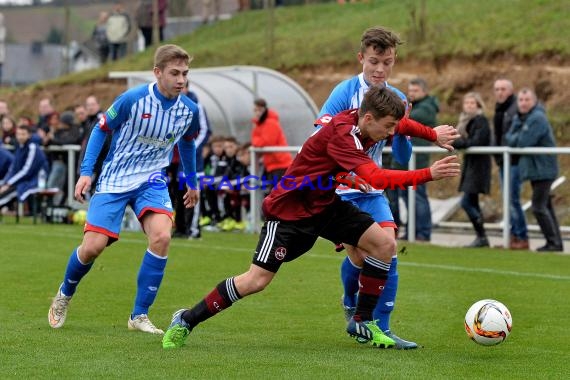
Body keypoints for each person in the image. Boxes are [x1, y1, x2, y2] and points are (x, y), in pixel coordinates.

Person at [161, 86, 461, 350]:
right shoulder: (344, 135)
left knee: (384, 245)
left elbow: (402, 123)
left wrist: (432, 134)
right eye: (388, 127)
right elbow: (377, 178)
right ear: (368, 119)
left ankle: (362, 320)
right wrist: (428, 174)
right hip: (289, 212)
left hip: (325, 204)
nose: (392, 132)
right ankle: (186, 319)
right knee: (256, 280)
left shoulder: (365, 118)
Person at [319, 26, 459, 349]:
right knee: (357, 256)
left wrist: (403, 134)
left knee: (387, 247)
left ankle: (382, 327)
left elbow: (401, 155)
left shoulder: (396, 99)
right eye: (374, 62)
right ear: (361, 59)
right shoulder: (343, 93)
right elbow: (322, 135)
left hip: (372, 189)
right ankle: (350, 300)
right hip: (340, 191)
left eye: (387, 62)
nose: (380, 69)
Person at [47, 44, 201, 335]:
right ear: (157, 73)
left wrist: (192, 182)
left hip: (152, 180)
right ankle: (64, 294)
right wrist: (85, 172)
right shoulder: (133, 99)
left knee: (162, 237)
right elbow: (101, 128)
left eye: (185, 73)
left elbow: (188, 142)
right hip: (116, 178)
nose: (181, 80)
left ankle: (139, 315)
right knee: (92, 247)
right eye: (174, 73)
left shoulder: (189, 110)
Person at [506, 88, 563, 252]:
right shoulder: (522, 118)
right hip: (536, 170)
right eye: (521, 100)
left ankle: (553, 242)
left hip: (544, 169)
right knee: (546, 206)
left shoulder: (537, 118)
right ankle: (555, 242)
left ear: (534, 101)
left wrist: (516, 135)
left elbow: (522, 142)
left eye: (527, 100)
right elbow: (509, 140)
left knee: (538, 206)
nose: (523, 103)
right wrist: (517, 133)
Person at [390, 77, 439, 241]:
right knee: (407, 197)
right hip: (407, 161)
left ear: (425, 92)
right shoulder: (418, 107)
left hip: (417, 161)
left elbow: (404, 122)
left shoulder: (426, 108)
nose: (411, 94)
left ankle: (423, 233)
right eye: (409, 91)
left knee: (417, 197)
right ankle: (413, 231)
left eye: (415, 91)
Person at [492, 78, 529, 249]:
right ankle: (514, 235)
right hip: (503, 161)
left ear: (511, 91)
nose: (500, 92)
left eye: (503, 89)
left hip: (514, 161)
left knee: (513, 199)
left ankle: (521, 236)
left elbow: (513, 135)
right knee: (508, 199)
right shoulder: (500, 109)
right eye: (497, 89)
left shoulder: (515, 109)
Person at [452, 92, 492, 248]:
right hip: (471, 164)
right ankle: (481, 238)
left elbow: (475, 141)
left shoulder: (481, 120)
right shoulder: (464, 122)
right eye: (466, 103)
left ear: (478, 105)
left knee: (467, 202)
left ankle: (482, 235)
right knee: (472, 201)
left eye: (472, 103)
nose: (469, 106)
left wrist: (457, 141)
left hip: (479, 165)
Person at [0, 125, 49, 208]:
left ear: (29, 135)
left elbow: (26, 171)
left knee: (8, 192)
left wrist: (9, 184)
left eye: (23, 134)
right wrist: (5, 182)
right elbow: (13, 168)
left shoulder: (32, 147)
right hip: (21, 180)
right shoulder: (18, 147)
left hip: (34, 181)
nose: (20, 137)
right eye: (18, 134)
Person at [250, 98, 293, 195]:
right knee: (273, 195)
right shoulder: (260, 124)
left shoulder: (270, 122)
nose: (257, 113)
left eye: (260, 110)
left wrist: (256, 139)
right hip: (273, 166)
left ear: (265, 109)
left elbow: (266, 142)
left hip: (280, 165)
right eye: (255, 110)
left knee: (277, 195)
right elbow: (256, 141)